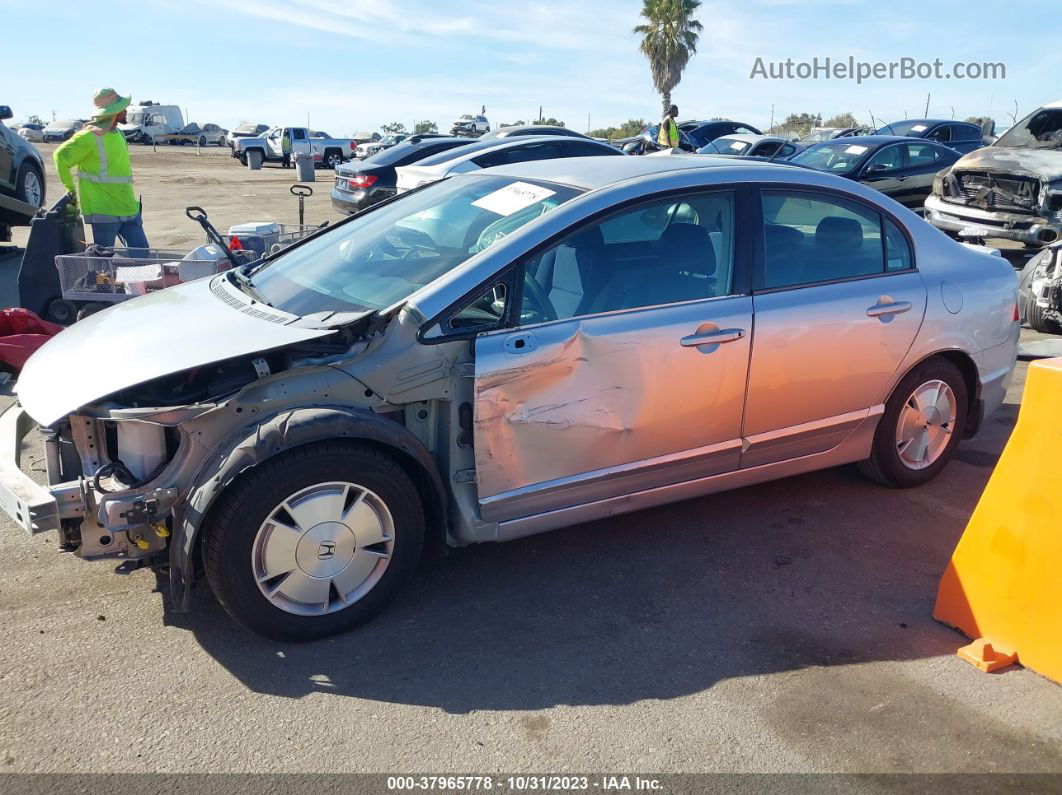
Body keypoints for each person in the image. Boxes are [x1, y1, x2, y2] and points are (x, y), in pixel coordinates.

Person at [54, 88, 149, 250]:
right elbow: (60, 157)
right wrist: (70, 190)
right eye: (122, 108)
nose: (126, 111)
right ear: (112, 112)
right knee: (103, 263)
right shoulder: (88, 137)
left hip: (128, 207)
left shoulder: (118, 133)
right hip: (104, 212)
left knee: (143, 256)